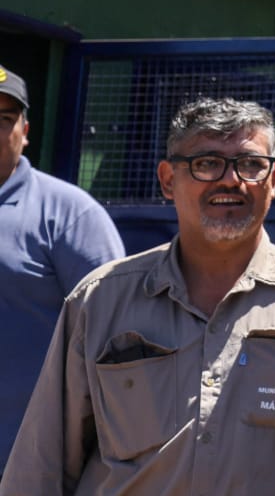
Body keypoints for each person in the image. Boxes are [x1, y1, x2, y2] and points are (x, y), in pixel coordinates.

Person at [0, 97, 275, 495]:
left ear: (274, 178)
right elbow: (38, 472)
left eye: (250, 164)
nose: (231, 180)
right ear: (168, 179)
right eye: (206, 163)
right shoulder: (100, 301)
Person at [0, 63, 125, 477]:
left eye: (4, 119)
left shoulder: (69, 215)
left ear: (26, 131)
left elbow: (117, 336)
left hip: (28, 464)